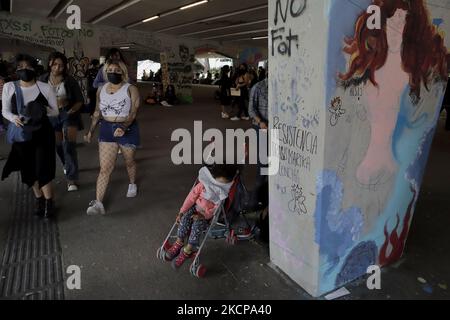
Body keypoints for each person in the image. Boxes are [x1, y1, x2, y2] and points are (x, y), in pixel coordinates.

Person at [339, 0, 449, 187]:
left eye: (403, 19)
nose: (397, 24)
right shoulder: (370, 69)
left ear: (410, 26)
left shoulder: (412, 72)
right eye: (393, 18)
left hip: (391, 161)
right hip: (368, 159)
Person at [1, 54, 59, 218]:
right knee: (29, 169)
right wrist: (14, 118)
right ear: (15, 70)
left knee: (43, 167)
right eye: (20, 68)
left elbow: (55, 111)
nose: (24, 70)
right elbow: (5, 110)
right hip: (22, 132)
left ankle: (49, 202)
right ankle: (39, 199)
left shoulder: (45, 87)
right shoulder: (9, 87)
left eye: (28, 67)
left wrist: (40, 109)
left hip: (43, 133)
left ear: (35, 68)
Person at [84, 59, 141, 215]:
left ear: (122, 72)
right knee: (105, 169)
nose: (112, 73)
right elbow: (97, 112)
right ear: (105, 72)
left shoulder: (131, 89)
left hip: (127, 129)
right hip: (107, 130)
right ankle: (98, 203)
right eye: (109, 70)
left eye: (116, 70)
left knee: (129, 161)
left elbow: (133, 113)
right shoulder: (101, 89)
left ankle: (132, 183)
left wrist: (123, 127)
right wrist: (91, 131)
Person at [164, 164, 238, 269]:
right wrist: (182, 211)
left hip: (205, 215)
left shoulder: (221, 193)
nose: (220, 185)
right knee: (184, 218)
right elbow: (190, 199)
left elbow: (215, 210)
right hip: (195, 207)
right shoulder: (203, 185)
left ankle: (187, 250)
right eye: (219, 182)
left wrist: (204, 216)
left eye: (224, 183)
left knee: (197, 225)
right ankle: (179, 242)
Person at [40, 52, 84, 192]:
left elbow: (79, 101)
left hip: (67, 115)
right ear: (50, 64)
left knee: (68, 146)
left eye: (61, 65)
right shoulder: (42, 80)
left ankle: (71, 180)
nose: (57, 68)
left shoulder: (70, 80)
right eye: (55, 64)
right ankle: (67, 164)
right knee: (59, 146)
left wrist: (72, 109)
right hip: (50, 116)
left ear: (65, 66)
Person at [248, 76, 269, 241]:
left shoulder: (281, 86)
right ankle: (255, 203)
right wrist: (261, 122)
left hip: (275, 128)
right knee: (263, 167)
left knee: (273, 166)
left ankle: (266, 200)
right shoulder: (258, 87)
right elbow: (251, 109)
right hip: (261, 128)